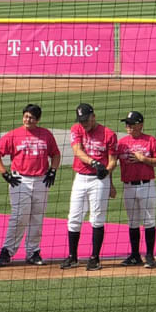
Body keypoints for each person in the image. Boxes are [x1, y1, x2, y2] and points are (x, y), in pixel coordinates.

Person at [0, 103, 60, 267]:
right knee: (19, 217)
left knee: (37, 217)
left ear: (38, 119)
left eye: (31, 117)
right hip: (20, 181)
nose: (27, 119)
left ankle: (33, 252)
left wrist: (53, 171)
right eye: (25, 116)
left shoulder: (46, 134)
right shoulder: (13, 135)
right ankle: (7, 251)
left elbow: (56, 154)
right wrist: (5, 174)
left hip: (41, 181)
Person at [64, 103, 118, 271]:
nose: (84, 124)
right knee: (74, 217)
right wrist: (95, 163)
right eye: (81, 120)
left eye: (86, 120)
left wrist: (107, 173)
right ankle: (73, 257)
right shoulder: (76, 129)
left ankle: (95, 258)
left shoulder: (108, 134)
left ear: (93, 116)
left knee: (97, 218)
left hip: (99, 180)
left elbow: (113, 160)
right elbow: (77, 151)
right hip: (80, 178)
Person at [114, 111, 156, 269]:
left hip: (146, 185)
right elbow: (111, 160)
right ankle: (135, 255)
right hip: (128, 186)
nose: (128, 126)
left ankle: (149, 255)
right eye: (126, 123)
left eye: (131, 123)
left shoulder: (150, 140)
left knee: (149, 220)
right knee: (132, 222)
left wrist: (144, 159)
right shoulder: (121, 143)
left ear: (140, 125)